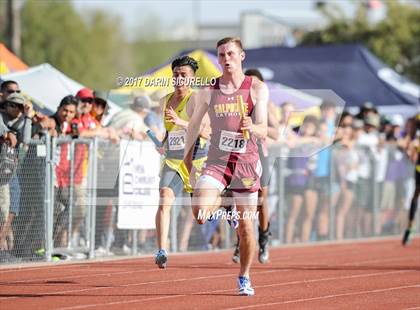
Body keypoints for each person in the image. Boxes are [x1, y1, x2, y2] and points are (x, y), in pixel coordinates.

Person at [184, 37, 268, 296]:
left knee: (246, 229)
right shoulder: (209, 90)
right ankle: (226, 210)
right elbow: (194, 125)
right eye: (221, 55)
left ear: (241, 56)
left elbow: (264, 129)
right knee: (199, 213)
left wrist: (251, 127)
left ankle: (244, 276)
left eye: (231, 53)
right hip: (217, 161)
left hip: (246, 164)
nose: (226, 58)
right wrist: (188, 157)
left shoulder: (255, 87)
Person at [154, 55, 210, 268]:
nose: (178, 79)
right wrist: (162, 143)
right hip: (173, 161)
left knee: (201, 216)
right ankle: (161, 250)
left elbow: (205, 131)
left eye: (183, 75)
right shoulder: (166, 100)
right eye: (175, 75)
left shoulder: (197, 100)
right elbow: (170, 133)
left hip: (195, 162)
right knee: (164, 198)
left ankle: (224, 208)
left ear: (192, 78)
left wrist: (180, 121)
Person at [232, 68, 278, 264]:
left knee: (261, 198)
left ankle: (264, 237)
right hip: (239, 154)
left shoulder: (266, 103)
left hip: (260, 153)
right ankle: (241, 240)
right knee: (240, 200)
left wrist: (256, 126)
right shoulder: (235, 100)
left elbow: (276, 133)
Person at [402, 114, 419, 245]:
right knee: (416, 194)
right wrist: (410, 149)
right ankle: (410, 226)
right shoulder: (416, 119)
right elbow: (410, 138)